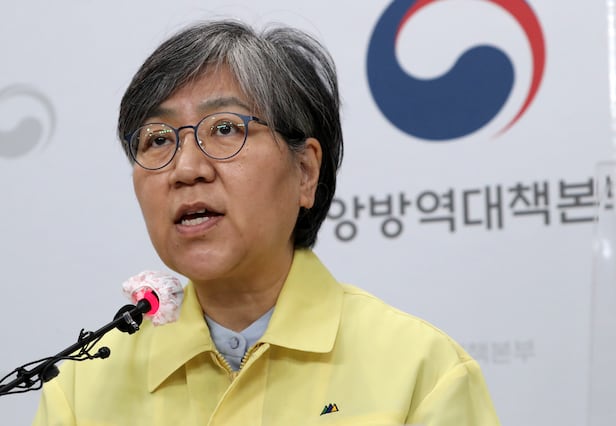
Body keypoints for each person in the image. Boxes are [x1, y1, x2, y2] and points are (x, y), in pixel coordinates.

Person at [33, 19, 500, 425]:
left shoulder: (420, 372)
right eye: (157, 139)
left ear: (305, 171)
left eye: (224, 129)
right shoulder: (81, 389)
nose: (186, 168)